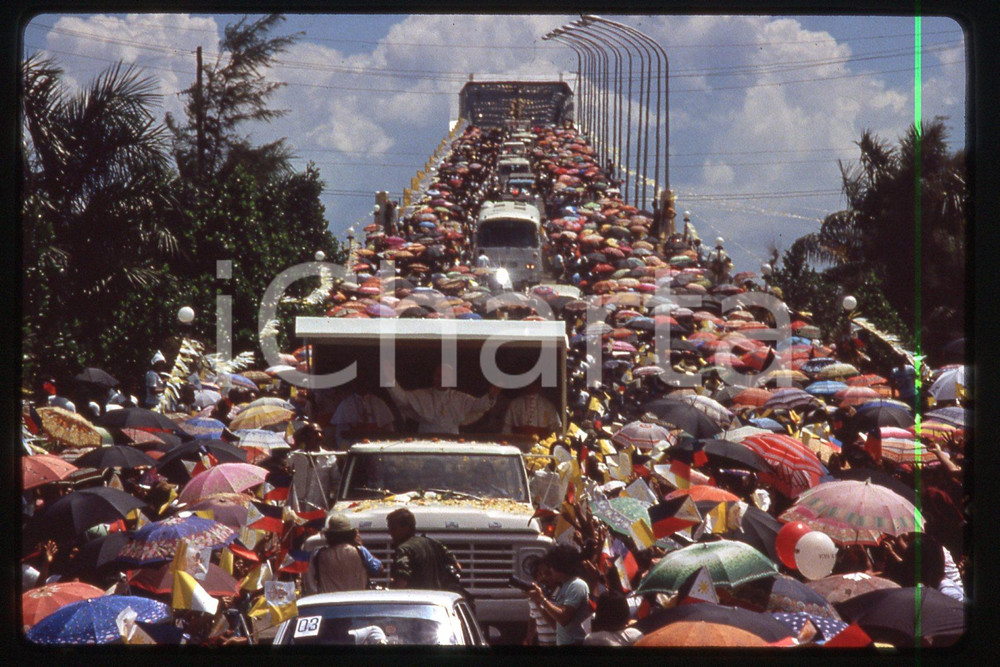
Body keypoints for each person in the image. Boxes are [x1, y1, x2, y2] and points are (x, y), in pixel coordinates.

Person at [383, 362, 500, 435]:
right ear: (434, 377)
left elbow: (479, 406)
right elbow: (402, 399)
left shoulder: (460, 398)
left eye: (446, 376)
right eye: (439, 376)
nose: (442, 379)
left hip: (452, 441)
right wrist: (390, 380)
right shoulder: (422, 395)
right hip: (426, 440)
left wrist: (491, 395)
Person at [385, 507, 462, 593]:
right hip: (438, 596)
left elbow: (402, 581)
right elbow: (457, 566)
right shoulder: (434, 543)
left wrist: (394, 588)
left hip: (417, 598)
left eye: (393, 528)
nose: (390, 532)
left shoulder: (404, 549)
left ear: (405, 528)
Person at [527, 545, 592, 645]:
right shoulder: (565, 586)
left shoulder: (577, 585)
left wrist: (542, 599)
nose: (550, 571)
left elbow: (563, 618)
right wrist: (538, 602)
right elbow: (555, 625)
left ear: (559, 566)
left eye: (551, 567)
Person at [302, 514, 373, 594]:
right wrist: (359, 545)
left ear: (329, 536)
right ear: (351, 535)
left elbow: (310, 580)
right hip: (356, 599)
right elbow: (377, 568)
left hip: (328, 599)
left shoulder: (319, 554)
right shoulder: (360, 551)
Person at [329, 382, 396, 449]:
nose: (362, 385)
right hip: (355, 447)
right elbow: (341, 435)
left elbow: (389, 432)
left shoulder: (379, 402)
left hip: (377, 447)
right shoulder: (345, 404)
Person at [523, 558, 557, 647]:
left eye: (548, 573)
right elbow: (533, 617)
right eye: (540, 574)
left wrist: (540, 601)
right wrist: (529, 636)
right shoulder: (533, 597)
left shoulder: (560, 595)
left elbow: (557, 626)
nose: (543, 577)